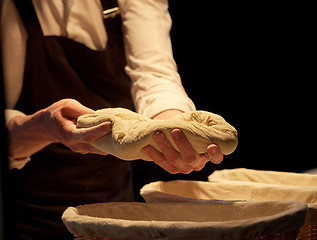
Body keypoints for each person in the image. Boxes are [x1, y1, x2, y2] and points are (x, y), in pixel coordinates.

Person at [1, 0, 223, 239]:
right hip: (27, 212)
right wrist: (43, 126)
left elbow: (154, 75)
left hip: (115, 203)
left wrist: (173, 129)